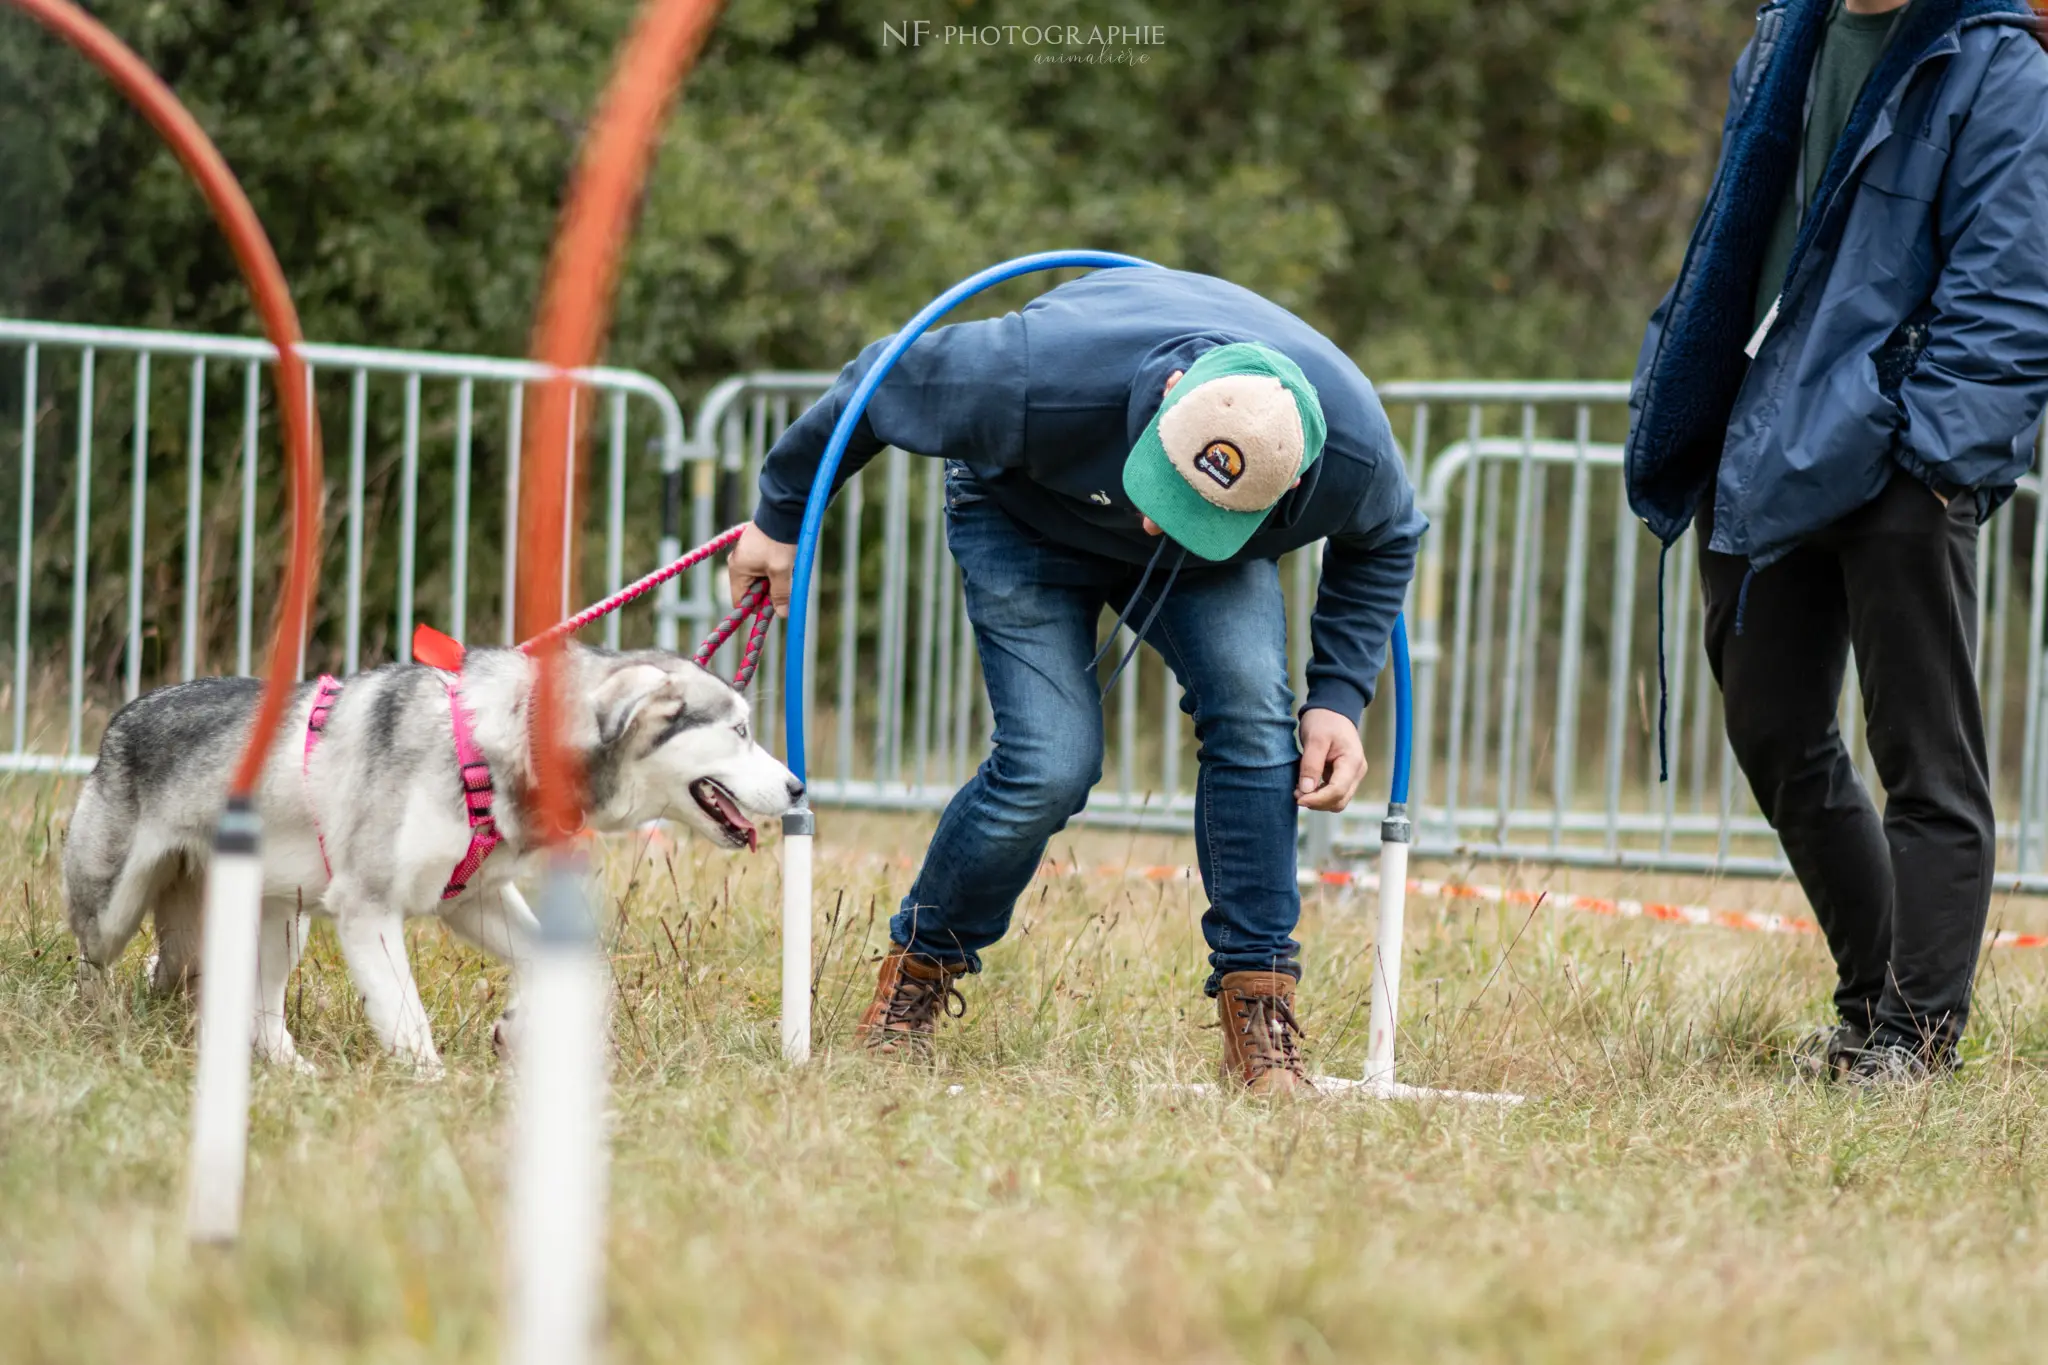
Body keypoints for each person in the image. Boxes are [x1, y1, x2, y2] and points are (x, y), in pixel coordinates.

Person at [729, 267, 1425, 1093]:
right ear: (1169, 395)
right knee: (1050, 762)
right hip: (1020, 515)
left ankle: (1260, 1014)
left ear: (1297, 484)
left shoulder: (1350, 450)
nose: (1154, 519)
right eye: (1161, 490)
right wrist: (779, 517)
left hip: (1207, 566)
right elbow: (877, 381)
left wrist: (1339, 696)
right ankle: (917, 976)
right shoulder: (1033, 375)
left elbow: (1388, 539)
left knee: (1254, 717)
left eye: (1189, 509)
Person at [1626, 0, 2048, 1082]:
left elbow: (2010, 287)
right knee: (1769, 724)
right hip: (1761, 432)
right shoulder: (1782, 38)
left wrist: (1936, 454)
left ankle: (1912, 1042)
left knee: (1924, 760)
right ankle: (1872, 1002)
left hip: (1901, 452)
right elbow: (1735, 232)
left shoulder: (1992, 59)